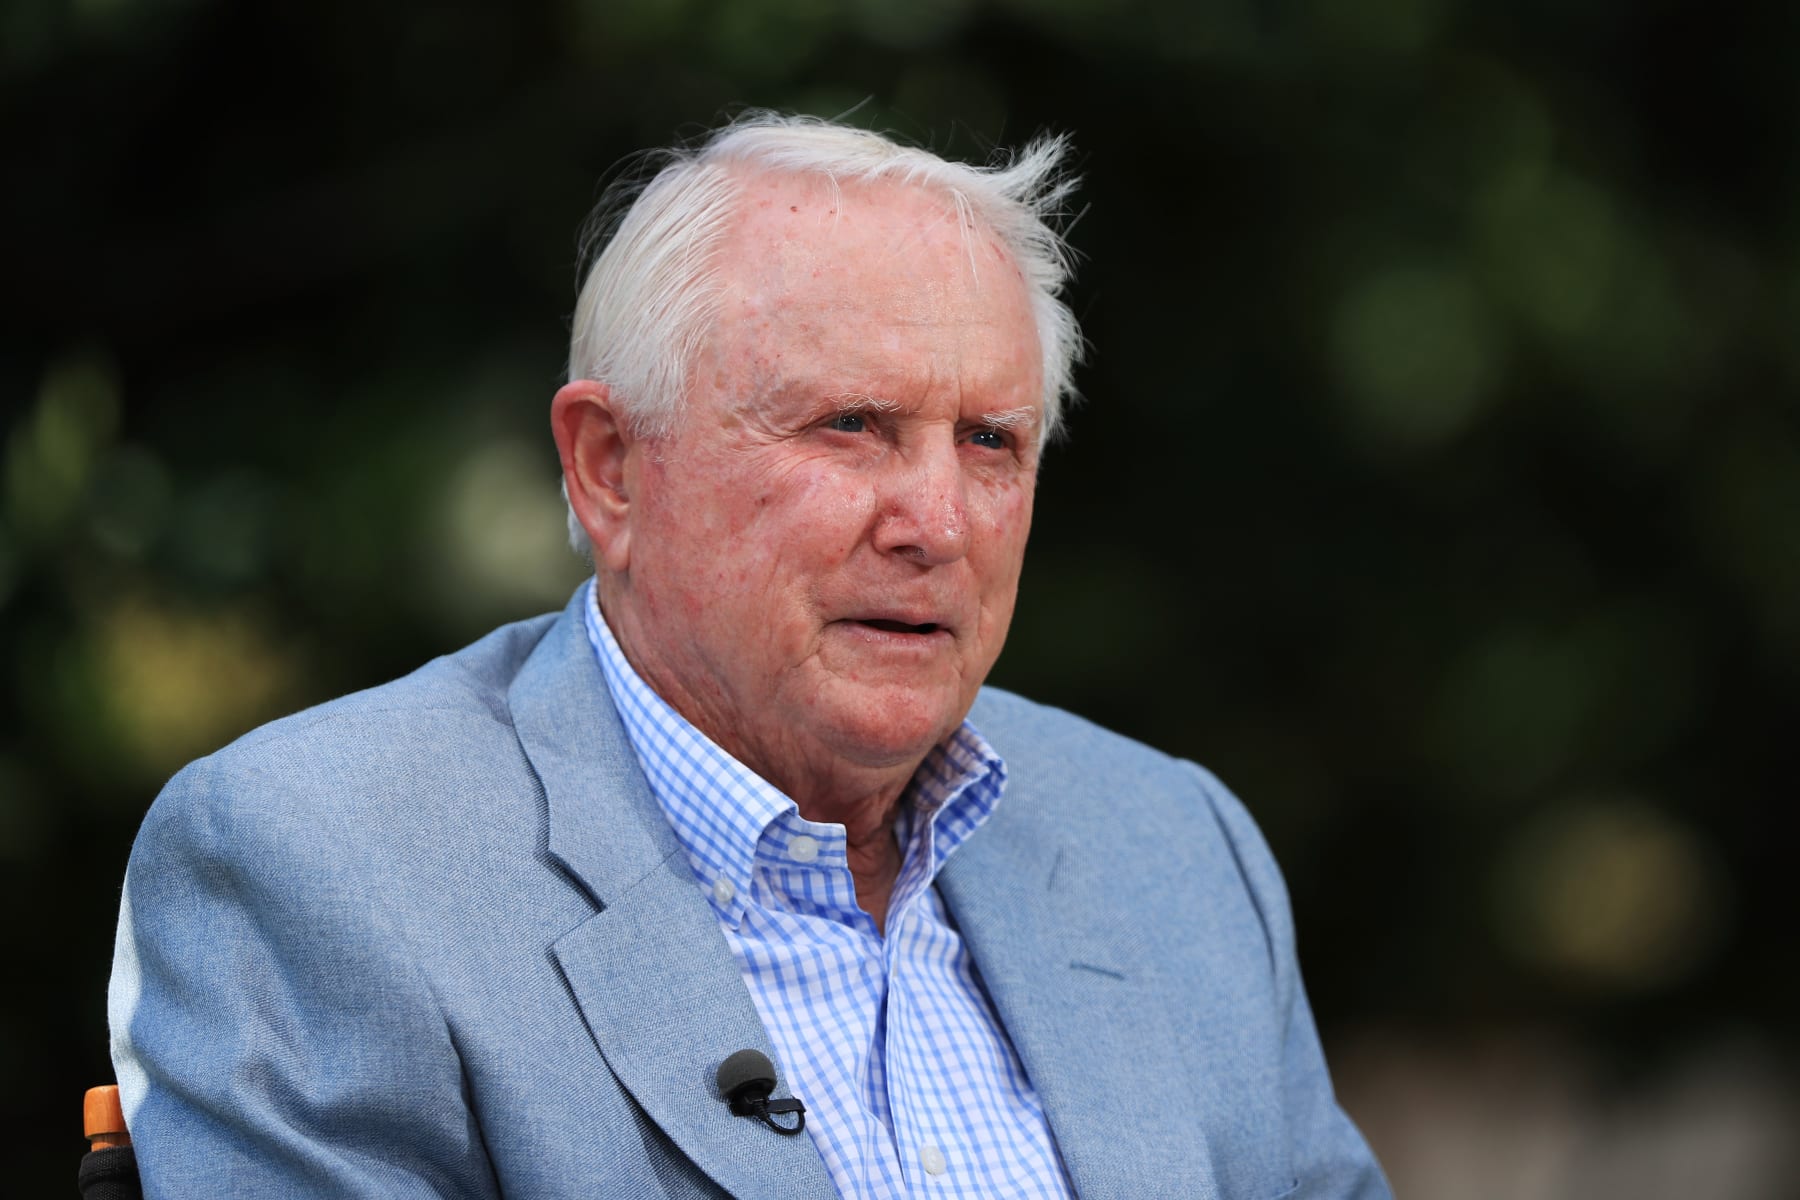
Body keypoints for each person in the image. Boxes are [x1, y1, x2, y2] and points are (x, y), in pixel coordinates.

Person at [108, 112, 1390, 1198]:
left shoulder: (1173, 846)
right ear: (611, 470)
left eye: (990, 442)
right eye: (850, 426)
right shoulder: (321, 863)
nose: (938, 524)